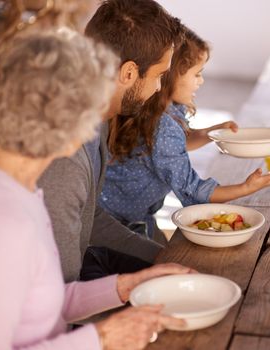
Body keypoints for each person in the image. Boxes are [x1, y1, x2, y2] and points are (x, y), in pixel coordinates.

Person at [0, 29, 193, 350]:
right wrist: (102, 338)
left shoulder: (23, 191)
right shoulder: (6, 223)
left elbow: (49, 300)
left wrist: (126, 286)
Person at [99, 26, 270, 238]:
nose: (201, 81)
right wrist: (246, 188)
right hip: (115, 226)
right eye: (197, 74)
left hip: (127, 214)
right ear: (169, 76)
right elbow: (193, 191)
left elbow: (170, 146)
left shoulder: (157, 109)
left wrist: (209, 133)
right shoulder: (163, 127)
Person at [38, 0, 183, 282]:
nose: (158, 89)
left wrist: (163, 257)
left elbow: (88, 217)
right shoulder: (65, 158)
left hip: (79, 270)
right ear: (128, 73)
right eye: (159, 76)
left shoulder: (99, 117)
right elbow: (62, 297)